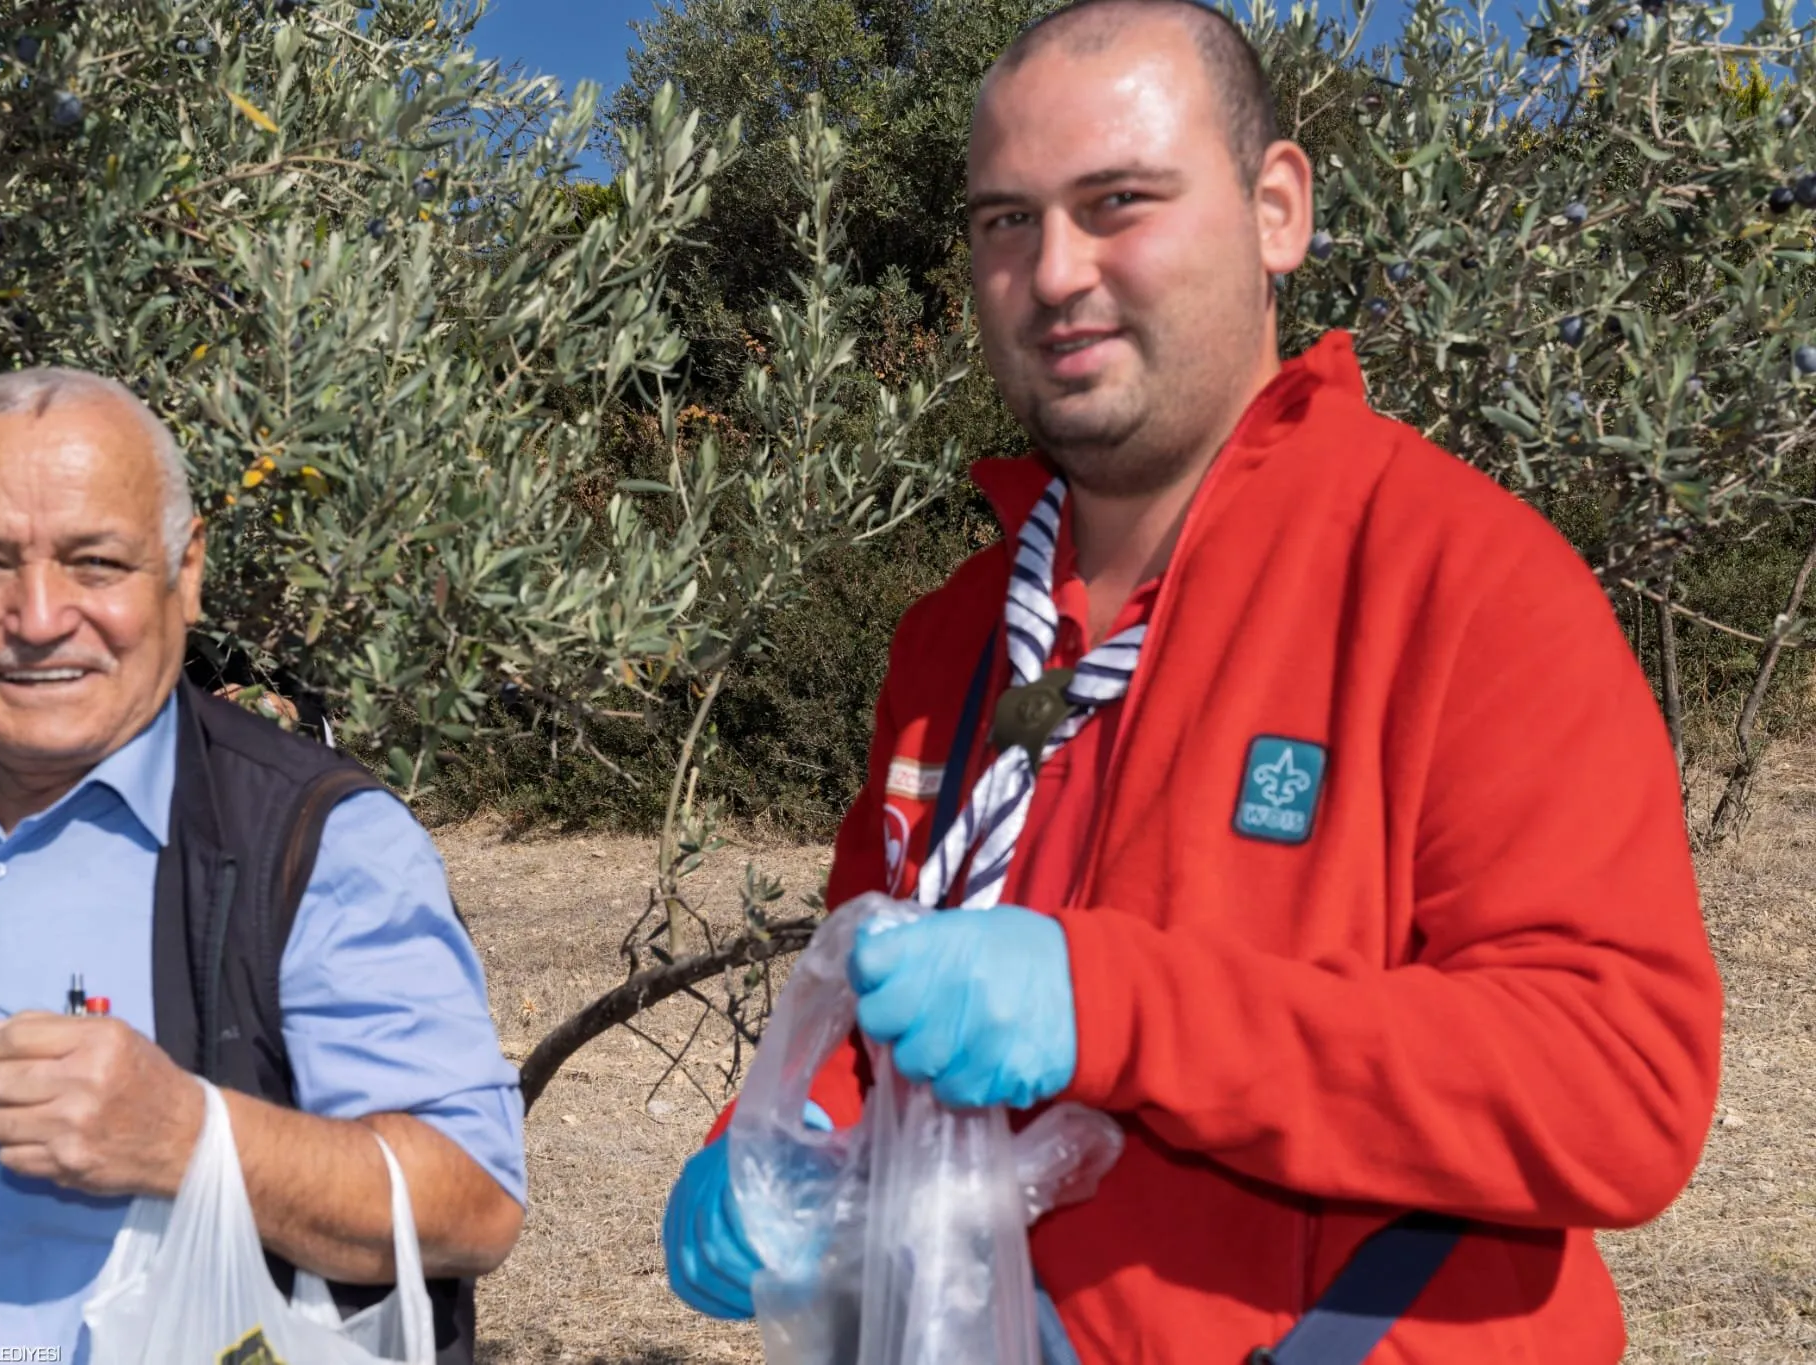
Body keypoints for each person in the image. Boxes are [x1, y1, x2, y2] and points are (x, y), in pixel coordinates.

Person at [660, 1, 1724, 1361]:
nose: (1054, 272)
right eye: (1006, 220)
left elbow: (1618, 1092)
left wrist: (1118, 1010)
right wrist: (787, 1131)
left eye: (1119, 202)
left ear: (1277, 210)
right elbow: (886, 992)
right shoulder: (954, 641)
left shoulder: (1464, 584)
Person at [0, 369, 526, 1362]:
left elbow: (468, 1203)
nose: (38, 617)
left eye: (95, 563)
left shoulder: (313, 841)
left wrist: (189, 1138)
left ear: (187, 568)